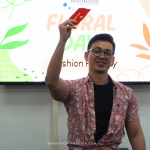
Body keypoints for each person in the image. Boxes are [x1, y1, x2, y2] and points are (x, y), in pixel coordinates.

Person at [45, 19, 146, 150]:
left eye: (107, 53)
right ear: (86, 56)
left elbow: (136, 135)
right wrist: (62, 41)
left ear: (113, 60)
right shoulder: (74, 89)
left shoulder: (126, 94)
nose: (102, 56)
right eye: (97, 51)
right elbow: (51, 82)